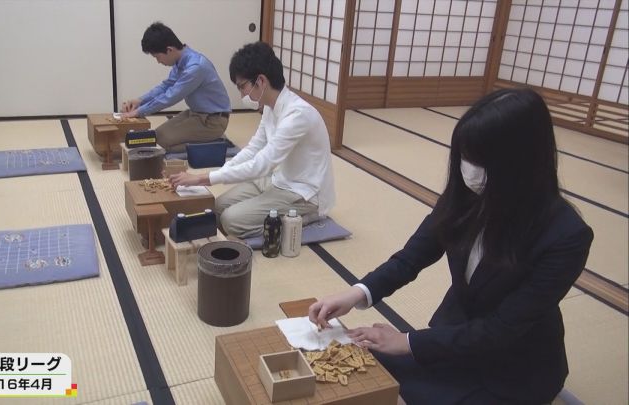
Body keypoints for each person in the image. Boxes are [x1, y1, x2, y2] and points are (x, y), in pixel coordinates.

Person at [308, 88, 593, 404]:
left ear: (521, 162)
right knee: (364, 361)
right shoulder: (467, 195)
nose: (467, 169)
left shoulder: (565, 236)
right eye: (463, 157)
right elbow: (411, 257)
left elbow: (501, 329)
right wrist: (357, 293)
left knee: (395, 386)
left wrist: (407, 342)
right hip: (452, 339)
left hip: (513, 367)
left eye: (479, 160)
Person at [168, 41, 335, 238]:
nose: (241, 94)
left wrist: (202, 178)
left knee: (231, 220)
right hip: (277, 180)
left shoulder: (297, 115)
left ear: (261, 81)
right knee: (218, 206)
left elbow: (262, 164)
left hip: (303, 193)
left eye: (242, 87)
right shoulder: (270, 107)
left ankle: (306, 218)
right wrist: (218, 173)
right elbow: (253, 149)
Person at [121, 22, 231, 153]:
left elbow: (170, 97)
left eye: (157, 57)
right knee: (156, 135)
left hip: (212, 121)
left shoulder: (195, 67)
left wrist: (139, 112)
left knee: (160, 144)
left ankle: (216, 142)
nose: (158, 61)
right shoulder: (181, 61)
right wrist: (140, 100)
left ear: (169, 50)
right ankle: (206, 138)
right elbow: (166, 86)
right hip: (196, 114)